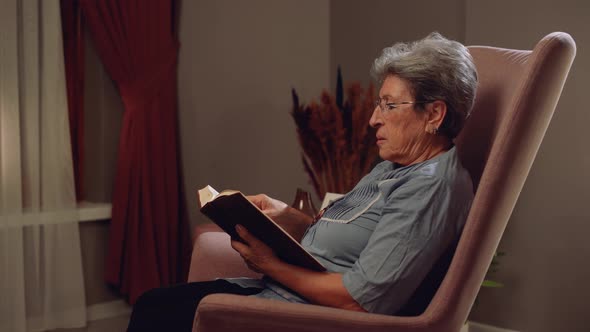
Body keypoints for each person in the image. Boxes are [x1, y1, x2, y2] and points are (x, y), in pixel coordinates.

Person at [127, 32, 478, 332]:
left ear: (434, 114)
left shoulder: (430, 188)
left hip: (313, 317)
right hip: (284, 294)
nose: (373, 119)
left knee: (156, 310)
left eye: (388, 106)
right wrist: (289, 219)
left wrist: (270, 264)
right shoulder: (396, 164)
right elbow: (355, 240)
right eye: (377, 104)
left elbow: (360, 301)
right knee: (156, 304)